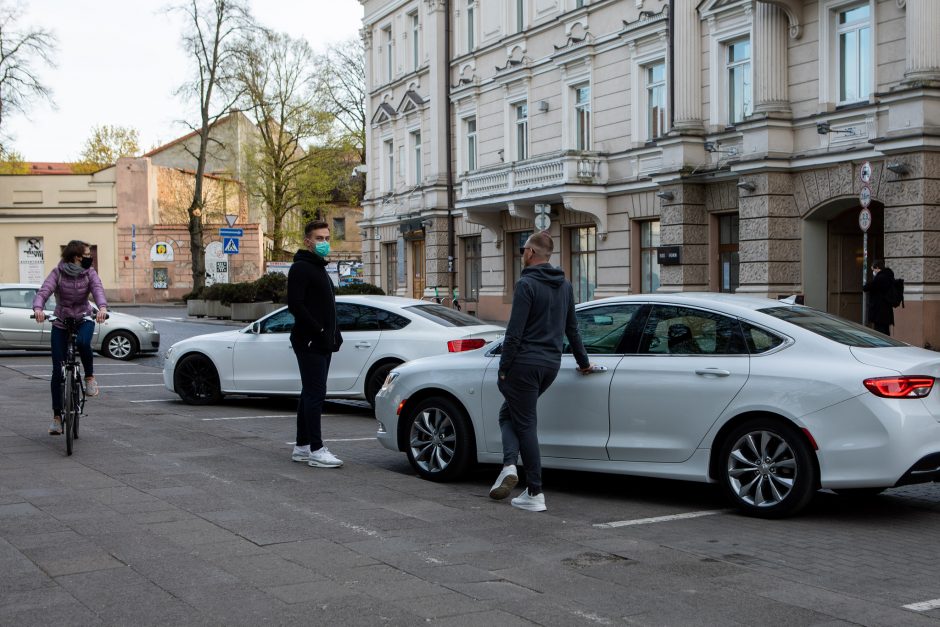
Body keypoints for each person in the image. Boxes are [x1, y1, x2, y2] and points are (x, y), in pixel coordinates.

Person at [489, 230, 594, 512]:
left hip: (523, 364)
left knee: (524, 423)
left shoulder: (526, 284)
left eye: (524, 249)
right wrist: (583, 363)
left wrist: (503, 368)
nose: (522, 253)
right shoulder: (565, 285)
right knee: (509, 414)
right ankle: (509, 465)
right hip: (550, 365)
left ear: (532, 253)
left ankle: (534, 492)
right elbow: (572, 328)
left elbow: (514, 333)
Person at [32, 240, 108, 436]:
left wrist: (102, 308)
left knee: (83, 342)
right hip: (61, 320)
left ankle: (89, 377)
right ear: (77, 257)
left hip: (84, 317)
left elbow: (98, 290)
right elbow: (44, 291)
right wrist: (38, 309)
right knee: (57, 371)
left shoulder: (89, 273)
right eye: (87, 255)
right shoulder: (57, 273)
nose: (90, 258)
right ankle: (57, 418)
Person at [287, 220, 344, 468]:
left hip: (322, 341)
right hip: (310, 341)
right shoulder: (301, 268)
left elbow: (326, 306)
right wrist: (320, 331)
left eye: (326, 238)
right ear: (307, 241)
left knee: (308, 393)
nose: (324, 243)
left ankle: (302, 446)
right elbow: (295, 305)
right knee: (316, 394)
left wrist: (335, 332)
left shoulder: (319, 268)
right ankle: (317, 450)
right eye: (319, 239)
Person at [863, 259, 896, 335]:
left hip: (880, 311)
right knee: (885, 331)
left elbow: (866, 287)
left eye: (873, 269)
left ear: (877, 268)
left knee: (880, 333)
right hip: (886, 310)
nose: (873, 272)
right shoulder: (888, 276)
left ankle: (883, 346)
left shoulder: (881, 277)